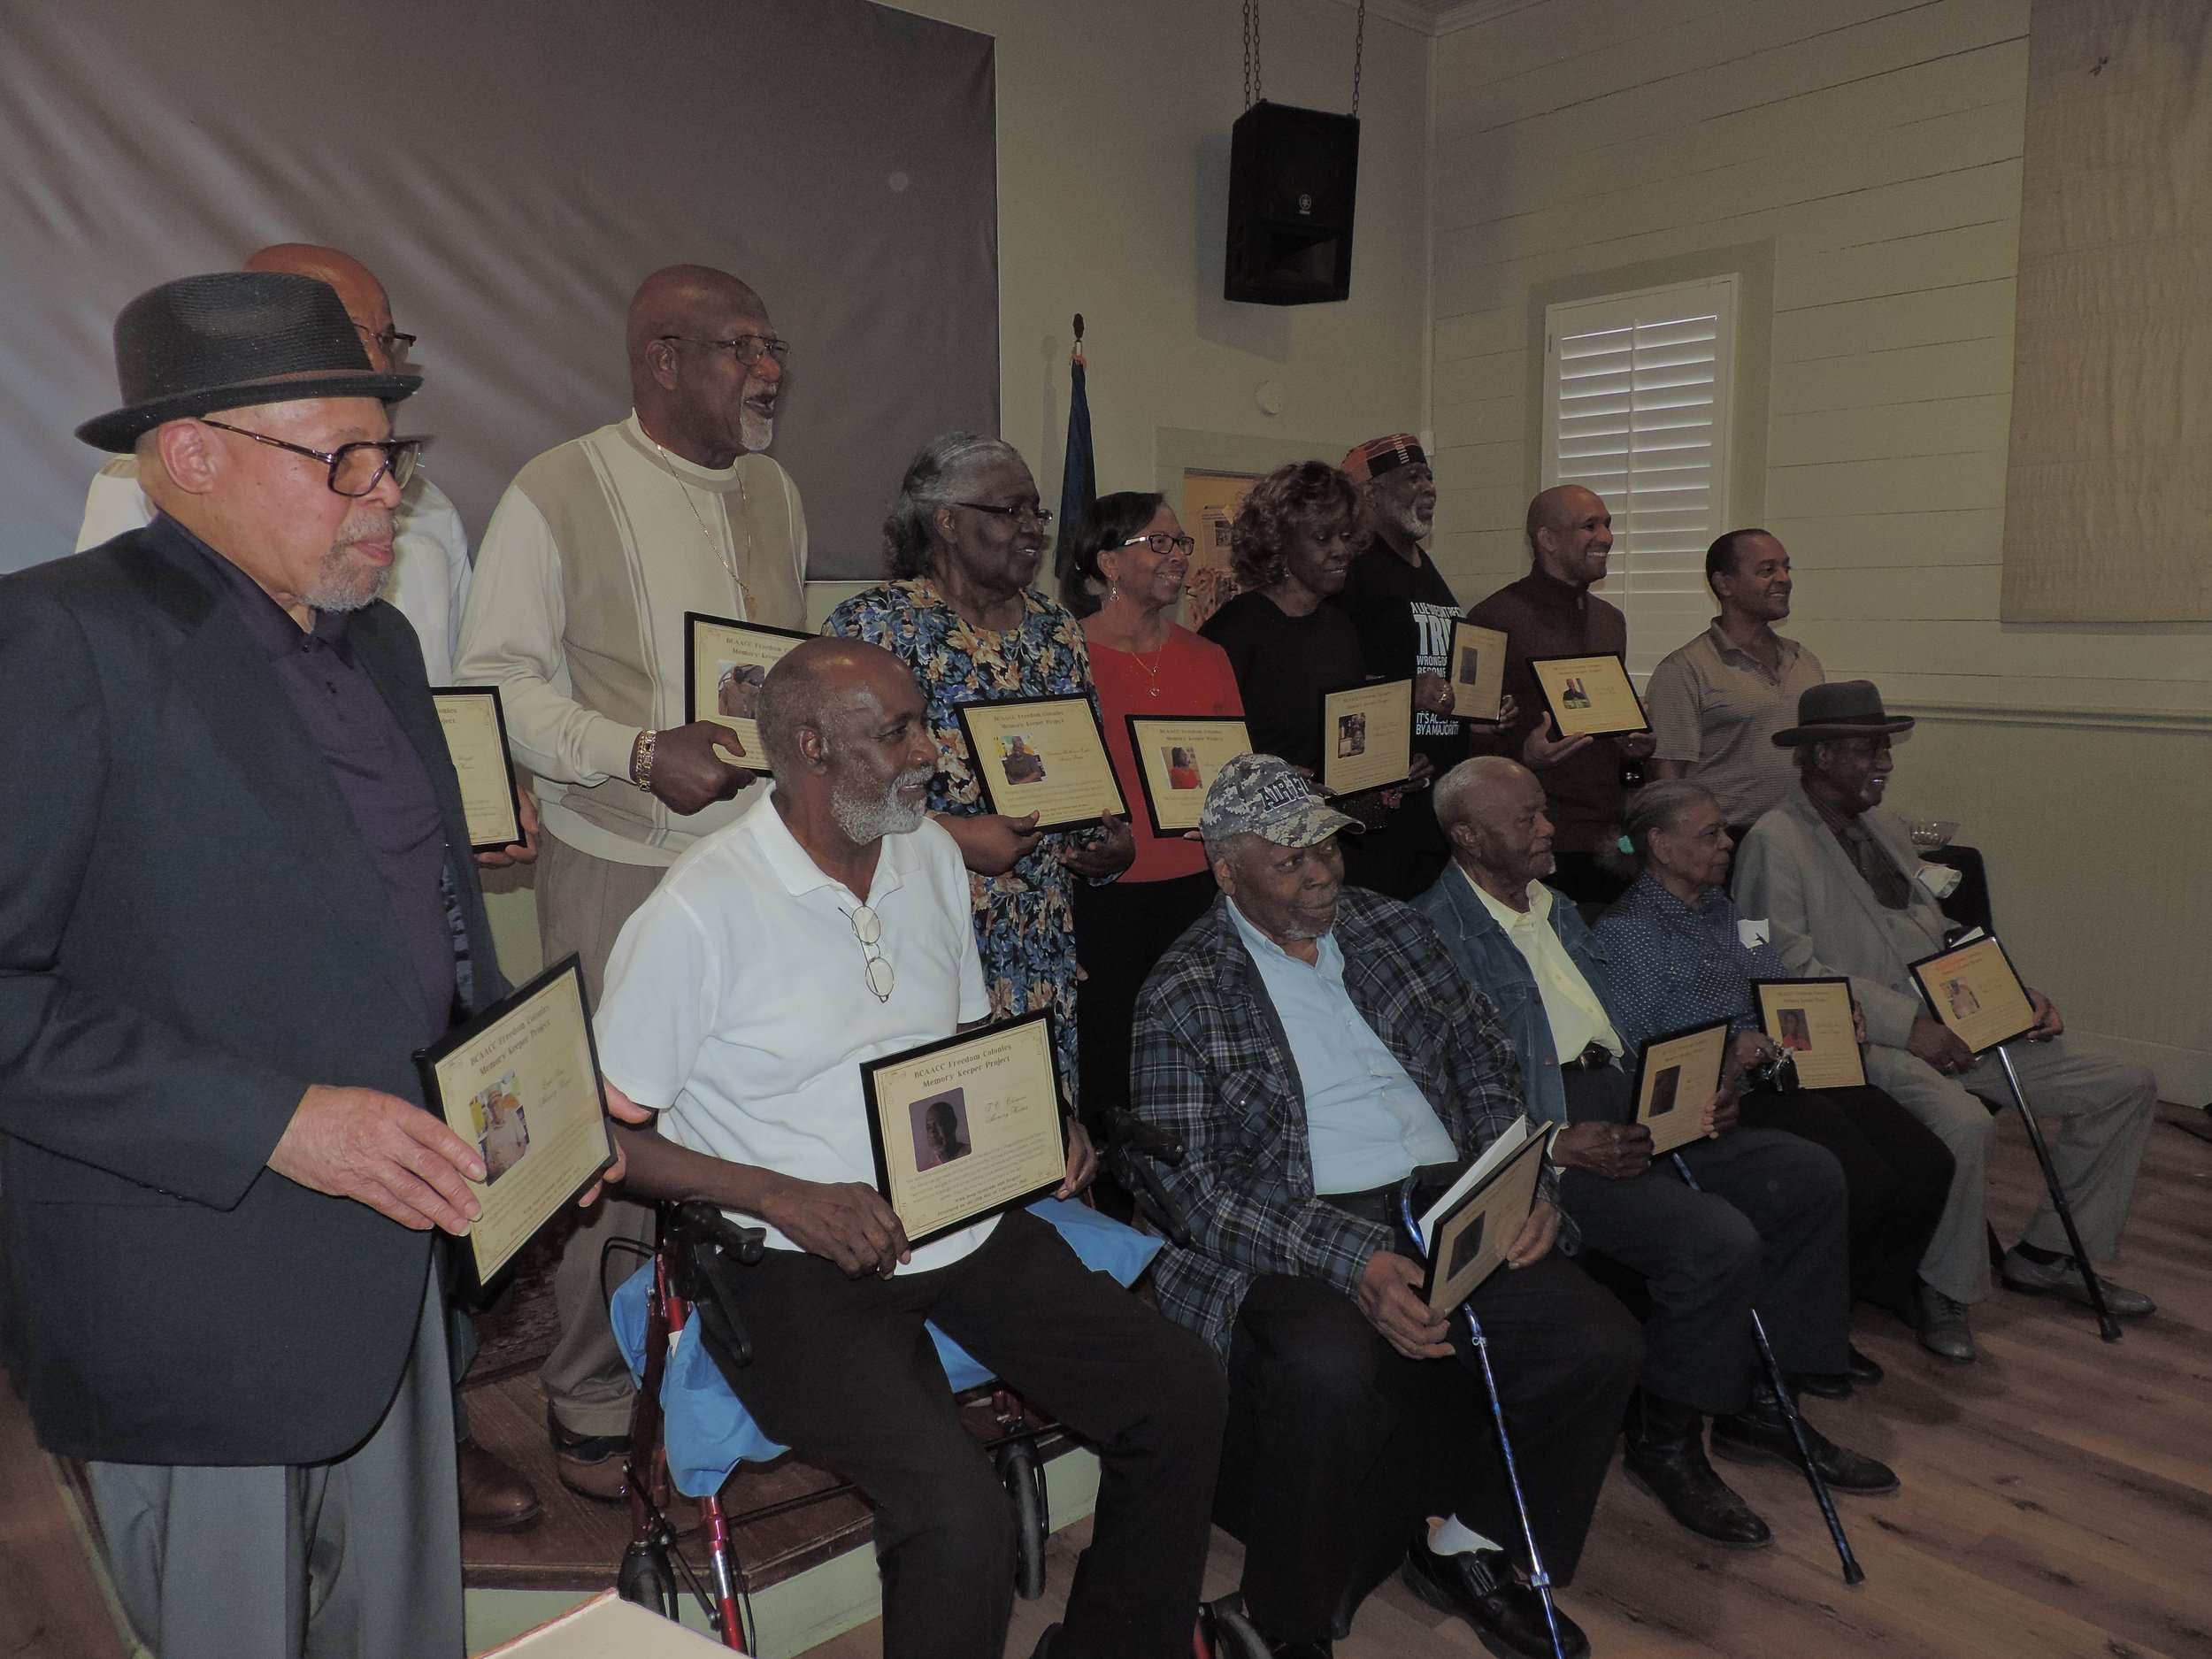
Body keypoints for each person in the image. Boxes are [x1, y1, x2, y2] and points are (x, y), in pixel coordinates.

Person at [0, 270, 541, 1658]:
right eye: (342, 457)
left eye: (393, 454)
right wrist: (282, 1121)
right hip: (201, 1282)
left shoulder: (389, 642)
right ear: (190, 455)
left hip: (393, 1255)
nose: (385, 494)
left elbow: (427, 908)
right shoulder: (62, 637)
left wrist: (528, 1088)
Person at [595, 638, 1224, 1659]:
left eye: (920, 722)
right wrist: (784, 1195)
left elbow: (961, 1035)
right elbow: (609, 1138)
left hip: (957, 1213)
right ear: (810, 748)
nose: (929, 751)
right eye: (897, 733)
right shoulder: (699, 912)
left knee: (1180, 1391)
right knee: (956, 1515)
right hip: (792, 1265)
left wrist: (1044, 1112)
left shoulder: (927, 851)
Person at [1133, 754, 1644, 1659]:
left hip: (1446, 1189)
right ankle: (1289, 1621)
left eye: (1326, 847)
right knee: (1329, 1370)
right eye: (1288, 860)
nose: (1322, 870)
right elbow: (1195, 1192)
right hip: (1300, 1214)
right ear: (1225, 872)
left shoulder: (1390, 928)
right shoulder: (1182, 992)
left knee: (1596, 1343)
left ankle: (1469, 1546)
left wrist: (1519, 1180)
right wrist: (1351, 1259)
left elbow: (1482, 1057)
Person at [456, 263, 808, 1496]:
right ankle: (591, 1394)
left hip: (762, 868)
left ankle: (728, 1369)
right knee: (616, 1142)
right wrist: (630, 750)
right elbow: (493, 680)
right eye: (737, 346)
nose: (767, 369)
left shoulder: (776, 492)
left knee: (751, 1117)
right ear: (661, 359)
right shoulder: (558, 486)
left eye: (770, 345)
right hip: (621, 868)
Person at [1415, 757, 1895, 1550]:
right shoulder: (1432, 932)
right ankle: (1665, 1443)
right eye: (1528, 817)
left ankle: (1761, 1404)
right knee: (1717, 1239)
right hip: (1549, 1134)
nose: (1550, 828)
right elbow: (1437, 1086)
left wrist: (1701, 1085)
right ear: (1467, 835)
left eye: (1545, 811)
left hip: (1631, 1099)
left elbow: (1627, 1032)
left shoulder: (1558, 909)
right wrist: (1555, 1145)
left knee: (1806, 1176)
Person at [1733, 681, 2160, 1362]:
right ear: (1819, 755)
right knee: (1963, 1120)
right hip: (1860, 1039)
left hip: (1954, 1022)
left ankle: (2048, 1254)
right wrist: (1909, 1026)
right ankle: (1941, 1286)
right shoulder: (1773, 842)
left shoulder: (1889, 828)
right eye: (1870, 748)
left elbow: (1943, 930)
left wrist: (2012, 995)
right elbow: (1781, 971)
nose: (1886, 761)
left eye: (1886, 745)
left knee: (2125, 1082)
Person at [1594, 780, 1957, 1368]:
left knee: (1927, 1163)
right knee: (1864, 1182)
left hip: (1789, 1061)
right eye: (1710, 833)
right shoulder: (1629, 933)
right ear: (1659, 844)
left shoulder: (1727, 910)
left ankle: (1841, 1300)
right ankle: (1804, 1332)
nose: (1728, 842)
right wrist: (1728, 1054)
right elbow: (1642, 1049)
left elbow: (1773, 977)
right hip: (1731, 1092)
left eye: (1724, 830)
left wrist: (1833, 1011)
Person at [825, 434, 1134, 1112]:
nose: (1032, 528)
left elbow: (1085, 773)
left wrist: (1111, 847)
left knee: (1043, 1148)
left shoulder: (1058, 629)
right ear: (945, 520)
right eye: (1008, 510)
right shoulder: (872, 629)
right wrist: (959, 840)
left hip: (1043, 945)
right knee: (946, 1154)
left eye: (1037, 512)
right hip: (922, 940)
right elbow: (829, 796)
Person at [75, 243, 476, 686]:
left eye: (385, 339)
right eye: (347, 332)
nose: (376, 361)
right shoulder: (130, 490)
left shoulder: (425, 524)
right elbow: (115, 639)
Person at [1061, 492, 1243, 1141]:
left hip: (1198, 886)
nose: (1176, 557)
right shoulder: (1064, 654)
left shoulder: (1208, 656)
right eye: (1157, 543)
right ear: (1107, 561)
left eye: (1181, 543)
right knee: (1109, 1057)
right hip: (1105, 891)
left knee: (1193, 1046)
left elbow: (1232, 776)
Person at [1201, 460, 1429, 898]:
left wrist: (1390, 767)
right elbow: (1210, 754)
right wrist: (1282, 779)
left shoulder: (1339, 628)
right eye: (1322, 538)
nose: (1341, 550)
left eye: (1346, 536)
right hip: (1264, 857)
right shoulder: (1236, 631)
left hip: (1332, 846)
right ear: (1278, 546)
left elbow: (1341, 743)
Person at [1463, 486, 1655, 906]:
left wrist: (1634, 742)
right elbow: (1466, 751)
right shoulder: (1490, 620)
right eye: (1590, 526)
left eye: (1608, 525)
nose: (1605, 537)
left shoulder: (1610, 621)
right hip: (1533, 840)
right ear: (1547, 539)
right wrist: (1522, 757)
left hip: (1609, 837)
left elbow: (1606, 722)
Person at [1334, 434, 1464, 898]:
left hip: (1438, 794)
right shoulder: (1353, 569)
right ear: (1370, 493)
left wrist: (1483, 709)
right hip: (1385, 800)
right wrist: (1407, 693)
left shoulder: (1421, 563)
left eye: (1429, 475)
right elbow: (1333, 682)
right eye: (1413, 477)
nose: (1428, 487)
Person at [1647, 529, 1826, 833]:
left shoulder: (1805, 661)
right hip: (1727, 841)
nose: (1783, 578)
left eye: (1786, 567)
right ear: (1724, 583)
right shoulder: (1684, 669)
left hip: (1803, 835)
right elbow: (1668, 786)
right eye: (1767, 570)